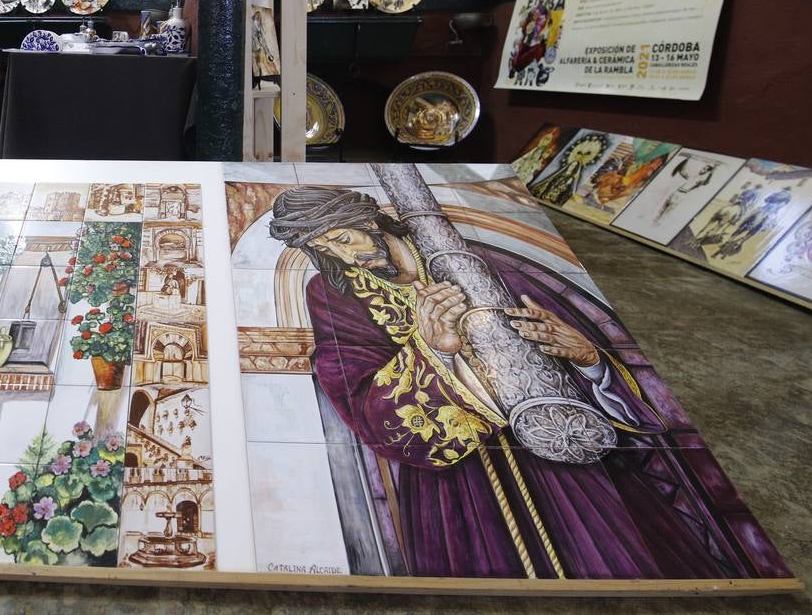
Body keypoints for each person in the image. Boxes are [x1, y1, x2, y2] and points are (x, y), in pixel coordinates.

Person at [267, 186, 738, 579]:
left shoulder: (484, 262)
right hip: (463, 487)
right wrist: (433, 351)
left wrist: (589, 357)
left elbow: (596, 359)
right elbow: (361, 401)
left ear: (369, 220)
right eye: (326, 249)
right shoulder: (337, 296)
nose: (346, 257)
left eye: (344, 238)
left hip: (573, 468)